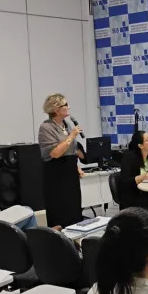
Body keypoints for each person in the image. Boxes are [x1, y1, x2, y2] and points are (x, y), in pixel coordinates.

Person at [38, 94, 84, 228]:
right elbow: (55, 153)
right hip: (56, 175)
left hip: (70, 173)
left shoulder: (66, 124)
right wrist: (72, 136)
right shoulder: (46, 127)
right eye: (65, 105)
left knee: (74, 209)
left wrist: (76, 167)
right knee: (60, 211)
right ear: (56, 109)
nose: (68, 107)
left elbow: (71, 150)